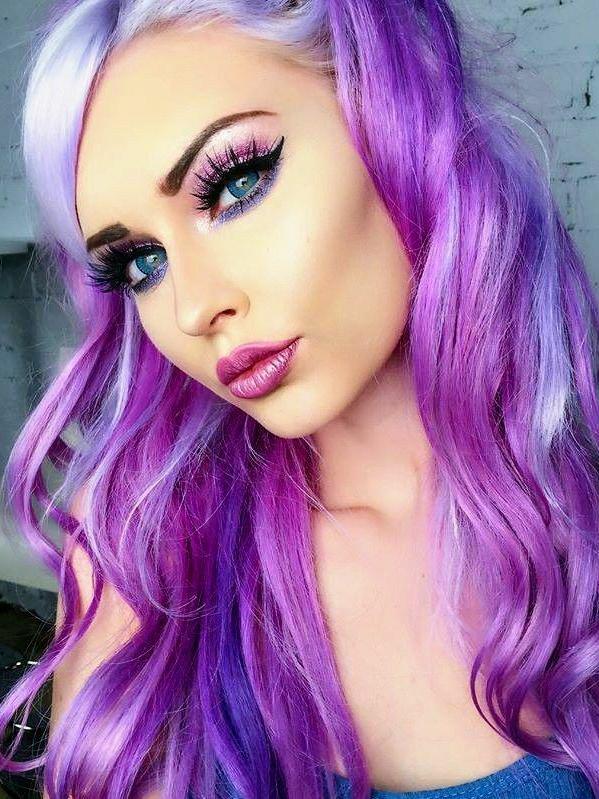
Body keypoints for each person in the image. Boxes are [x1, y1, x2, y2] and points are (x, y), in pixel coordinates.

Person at [0, 1, 597, 797]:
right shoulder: (140, 556)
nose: (192, 308)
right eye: (141, 261)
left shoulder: (575, 525)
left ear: (393, 118)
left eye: (235, 184)